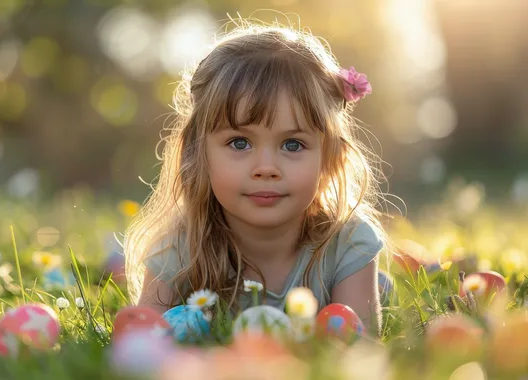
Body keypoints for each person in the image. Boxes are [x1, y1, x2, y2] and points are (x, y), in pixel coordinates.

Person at [124, 18, 394, 335]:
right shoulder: (180, 245)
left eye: (292, 144)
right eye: (240, 143)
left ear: (330, 159)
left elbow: (359, 352)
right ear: (197, 153)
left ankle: (379, 287)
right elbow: (141, 343)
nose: (266, 167)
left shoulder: (350, 243)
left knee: (374, 292)